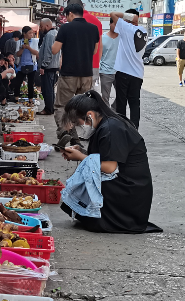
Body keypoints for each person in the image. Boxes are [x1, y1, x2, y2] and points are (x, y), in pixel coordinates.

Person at [59, 91, 160, 234]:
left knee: (85, 181)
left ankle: (111, 218)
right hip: (125, 182)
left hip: (129, 188)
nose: (77, 128)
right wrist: (82, 152)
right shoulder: (106, 124)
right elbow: (105, 156)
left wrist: (81, 157)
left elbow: (109, 167)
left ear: (90, 115)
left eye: (77, 123)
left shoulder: (112, 129)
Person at [52, 0, 101, 134]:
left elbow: (54, 50)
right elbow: (95, 50)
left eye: (67, 15)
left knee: (62, 105)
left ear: (71, 14)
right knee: (82, 106)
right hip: (86, 74)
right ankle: (78, 135)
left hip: (69, 74)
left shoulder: (65, 28)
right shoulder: (93, 28)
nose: (66, 18)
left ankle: (64, 131)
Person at [107, 10, 150, 126]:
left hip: (123, 72)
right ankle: (134, 130)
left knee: (121, 103)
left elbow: (113, 14)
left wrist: (130, 17)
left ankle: (123, 128)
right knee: (135, 103)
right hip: (138, 74)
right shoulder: (144, 31)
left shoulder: (127, 28)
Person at [65, 0, 104, 88]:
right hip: (93, 64)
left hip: (73, 65)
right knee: (89, 96)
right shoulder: (97, 21)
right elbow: (100, 45)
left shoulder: (71, 22)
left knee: (72, 95)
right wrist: (96, 62)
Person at [37, 18, 61, 115]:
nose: (40, 28)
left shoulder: (50, 35)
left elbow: (49, 52)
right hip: (52, 65)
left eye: (42, 26)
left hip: (49, 67)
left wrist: (43, 65)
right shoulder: (54, 33)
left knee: (47, 89)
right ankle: (50, 108)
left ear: (47, 26)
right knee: (49, 88)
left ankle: (48, 109)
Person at [10, 26, 38, 102]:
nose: (31, 35)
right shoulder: (19, 42)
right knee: (18, 83)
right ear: (24, 34)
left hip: (32, 65)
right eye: (29, 33)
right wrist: (22, 48)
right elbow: (17, 54)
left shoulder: (34, 41)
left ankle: (31, 100)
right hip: (21, 65)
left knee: (31, 84)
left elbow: (36, 53)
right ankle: (16, 99)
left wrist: (29, 48)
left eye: (32, 33)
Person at [98, 22, 119, 102]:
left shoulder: (122, 39)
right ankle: (106, 114)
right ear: (110, 24)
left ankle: (113, 110)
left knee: (122, 95)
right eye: (115, 24)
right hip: (105, 71)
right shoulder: (102, 38)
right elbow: (99, 54)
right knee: (105, 97)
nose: (116, 27)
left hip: (119, 71)